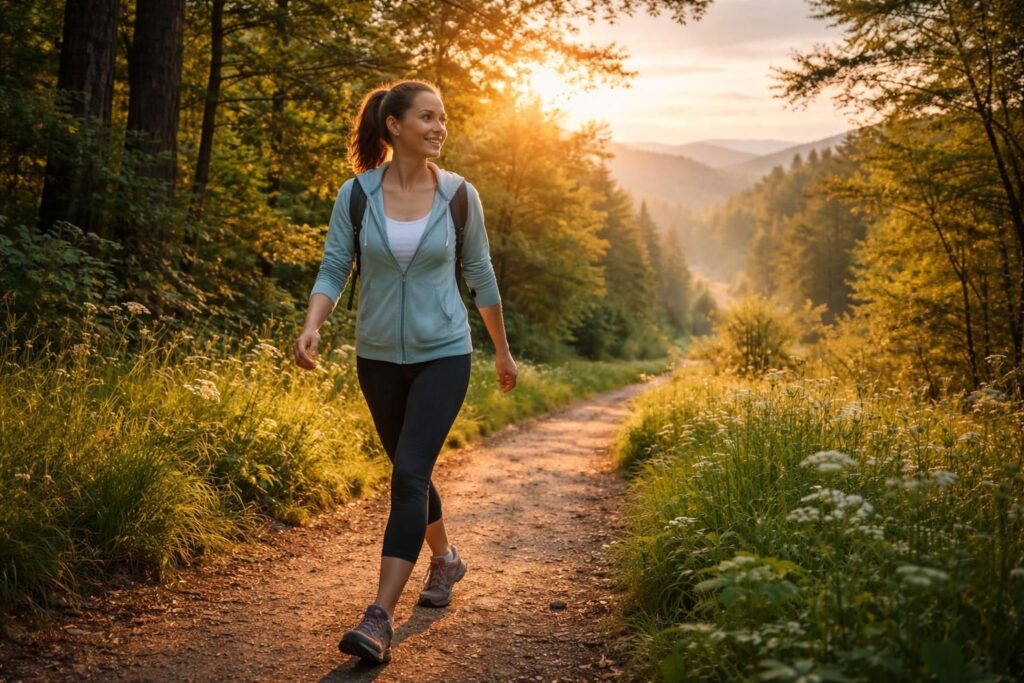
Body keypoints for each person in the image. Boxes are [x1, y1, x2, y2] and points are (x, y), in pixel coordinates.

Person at [292, 79, 518, 665]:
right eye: (426, 117)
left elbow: (481, 273)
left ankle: (378, 618)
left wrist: (501, 349)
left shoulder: (460, 195)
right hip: (376, 357)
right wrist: (314, 322)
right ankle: (444, 559)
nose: (439, 127)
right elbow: (335, 264)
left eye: (443, 118)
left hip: (444, 352)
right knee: (408, 470)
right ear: (394, 126)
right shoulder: (358, 194)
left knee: (410, 474)